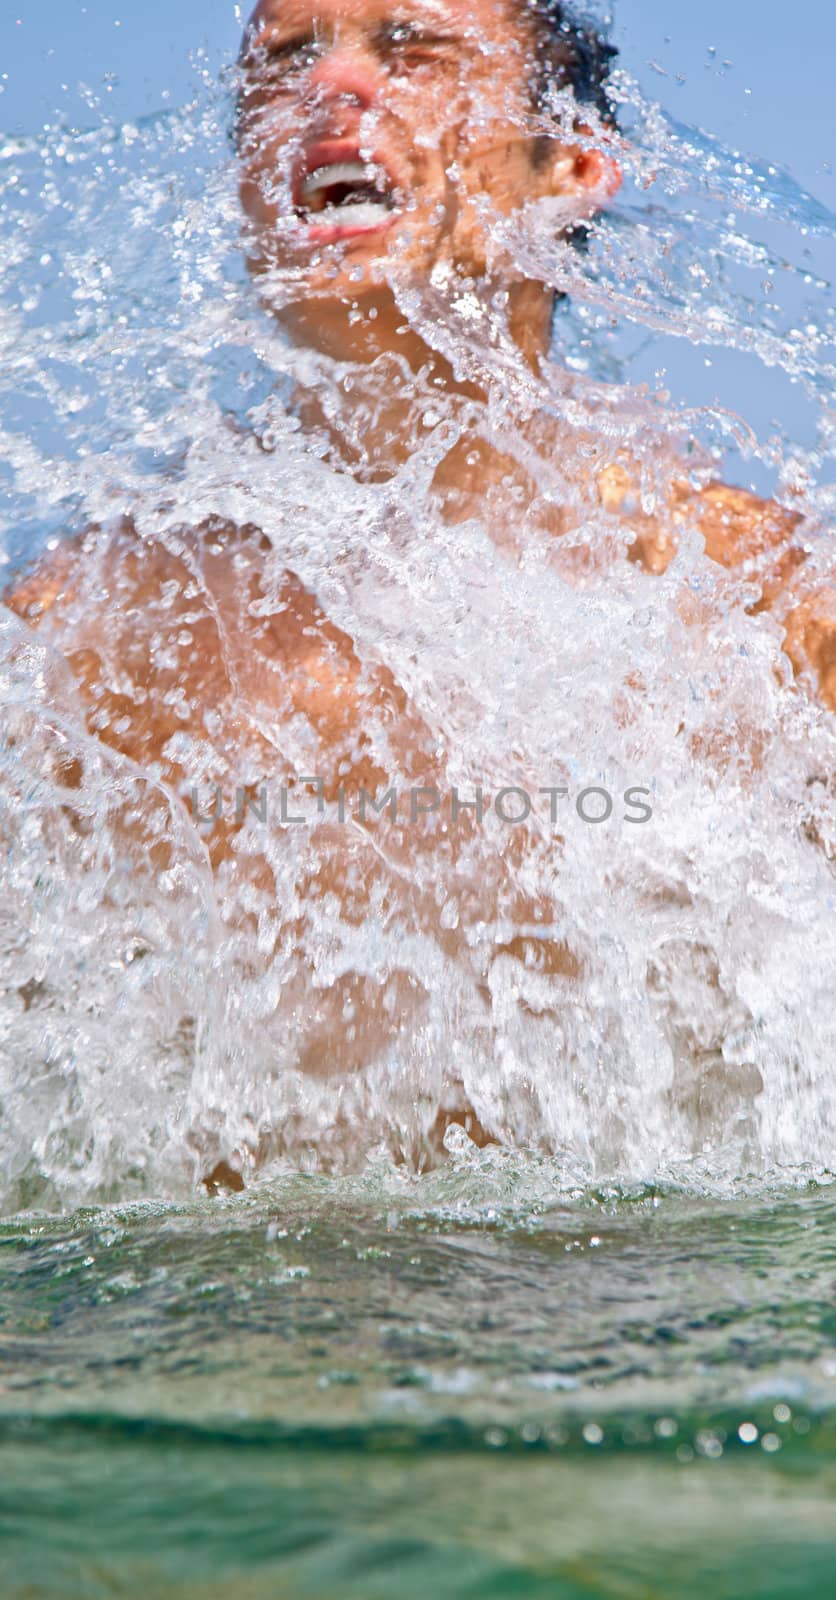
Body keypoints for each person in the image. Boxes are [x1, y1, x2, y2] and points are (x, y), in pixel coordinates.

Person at [4, 1, 834, 1175]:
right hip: (217, 1334)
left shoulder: (757, 610)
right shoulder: (79, 643)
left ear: (567, 167)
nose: (330, 88)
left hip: (648, 1329)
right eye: (287, 57)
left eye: (410, 47)